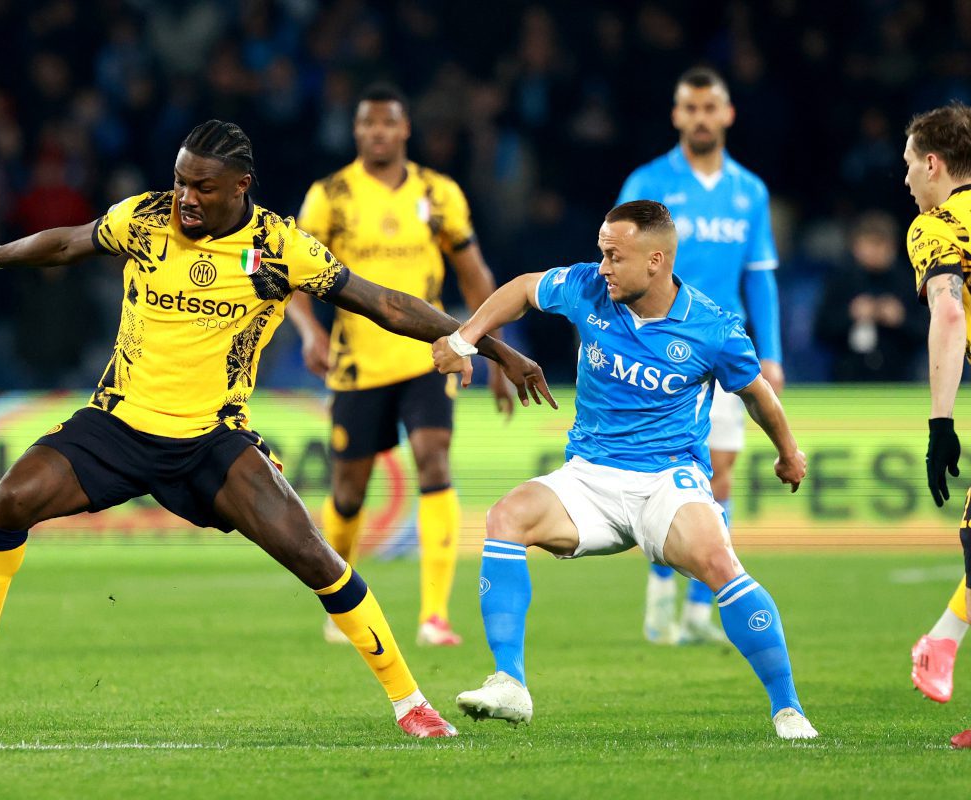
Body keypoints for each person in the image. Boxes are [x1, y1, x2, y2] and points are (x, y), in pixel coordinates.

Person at [0, 120, 555, 738]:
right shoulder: (146, 218)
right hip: (117, 424)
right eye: (181, 179)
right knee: (8, 501)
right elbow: (68, 241)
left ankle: (411, 704)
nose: (184, 196)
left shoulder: (279, 247)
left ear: (241, 186)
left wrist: (490, 346)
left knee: (317, 559)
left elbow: (386, 303)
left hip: (213, 441)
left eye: (201, 186)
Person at [438, 200, 817, 740]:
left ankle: (789, 709)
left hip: (667, 480)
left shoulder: (711, 328)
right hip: (589, 475)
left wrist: (788, 451)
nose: (604, 266)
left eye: (615, 256)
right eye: (602, 253)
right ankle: (510, 682)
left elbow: (758, 395)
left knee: (717, 561)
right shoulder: (590, 287)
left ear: (656, 260)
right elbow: (523, 287)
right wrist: (464, 340)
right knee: (506, 517)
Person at [287, 83, 513, 647]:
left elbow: (473, 272)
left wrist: (496, 353)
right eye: (367, 124)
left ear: (405, 129)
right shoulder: (330, 195)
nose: (377, 133)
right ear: (357, 130)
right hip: (357, 362)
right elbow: (290, 272)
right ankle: (342, 607)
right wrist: (311, 331)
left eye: (388, 124)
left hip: (430, 356)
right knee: (348, 492)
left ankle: (434, 615)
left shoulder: (439, 193)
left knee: (434, 462)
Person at [617, 66, 783, 646]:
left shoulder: (750, 191)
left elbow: (760, 278)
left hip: (724, 347)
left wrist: (775, 355)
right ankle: (660, 603)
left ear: (728, 114)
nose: (701, 118)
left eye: (710, 108)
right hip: (659, 352)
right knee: (669, 475)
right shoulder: (648, 180)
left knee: (721, 476)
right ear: (676, 115)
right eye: (690, 108)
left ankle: (695, 611)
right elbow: (613, 264)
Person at [900, 101, 971, 749]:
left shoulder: (936, 224)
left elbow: (949, 316)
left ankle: (941, 643)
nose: (906, 183)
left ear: (933, 163)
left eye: (908, 167)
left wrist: (940, 422)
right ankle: (943, 642)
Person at [813, 211, 925, 382]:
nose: (875, 251)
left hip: (898, 380)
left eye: (881, 244)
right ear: (855, 245)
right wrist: (850, 315)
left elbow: (928, 332)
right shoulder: (841, 280)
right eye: (870, 244)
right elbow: (821, 331)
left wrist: (901, 320)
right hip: (848, 379)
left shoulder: (909, 281)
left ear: (893, 247)